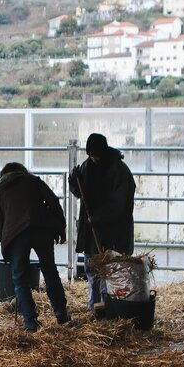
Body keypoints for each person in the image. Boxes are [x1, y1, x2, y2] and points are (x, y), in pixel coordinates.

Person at [0, 162, 69, 331]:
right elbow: (54, 202)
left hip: (16, 236)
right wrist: (61, 227)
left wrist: (5, 243)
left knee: (20, 279)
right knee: (50, 271)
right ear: (22, 171)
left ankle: (30, 322)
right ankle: (61, 314)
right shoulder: (34, 181)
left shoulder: (1, 189)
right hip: (42, 230)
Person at [68, 133, 136, 311]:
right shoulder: (87, 166)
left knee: (111, 270)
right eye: (90, 155)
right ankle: (94, 306)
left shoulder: (119, 170)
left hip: (114, 231)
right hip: (92, 231)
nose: (94, 158)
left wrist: (99, 217)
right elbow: (79, 193)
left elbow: (119, 204)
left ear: (104, 152)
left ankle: (110, 307)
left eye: (96, 154)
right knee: (92, 269)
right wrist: (74, 181)